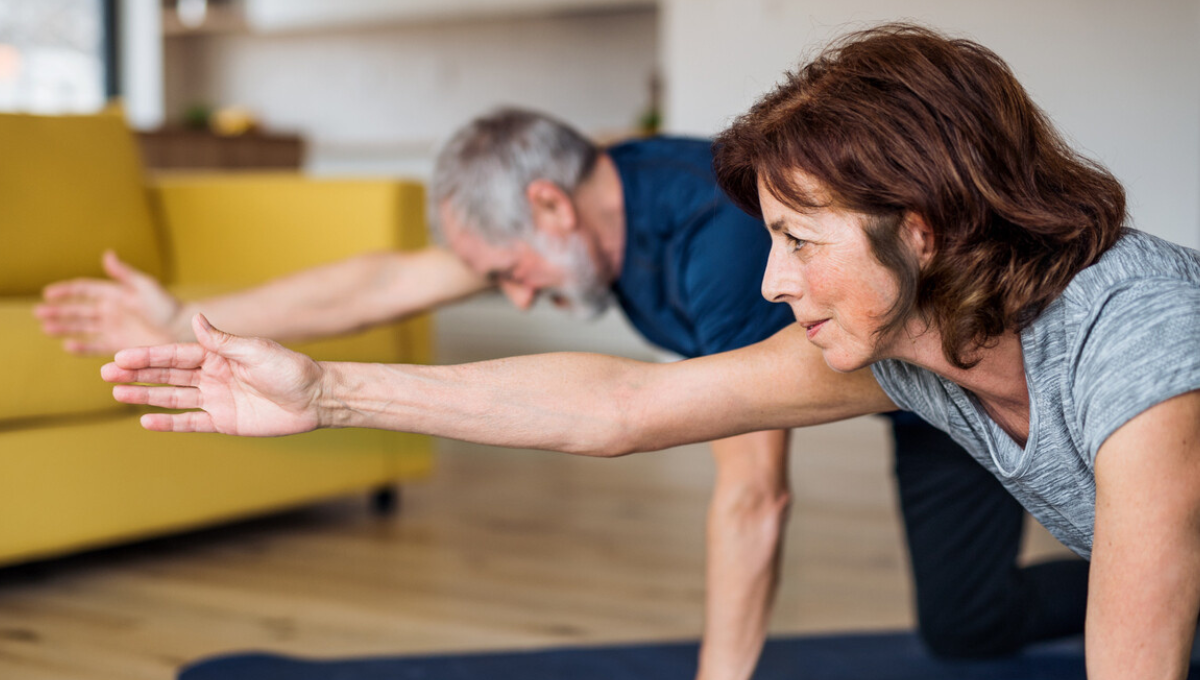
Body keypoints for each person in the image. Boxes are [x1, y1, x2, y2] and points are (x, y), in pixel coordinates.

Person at [62, 90, 1095, 673]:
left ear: (551, 209)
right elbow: (382, 280)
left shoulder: (725, 251)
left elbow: (754, 495)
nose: (516, 294)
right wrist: (185, 318)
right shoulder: (587, 192)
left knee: (987, 607)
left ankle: (1150, 559)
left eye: (511, 272)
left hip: (974, 366)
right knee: (968, 628)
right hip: (900, 386)